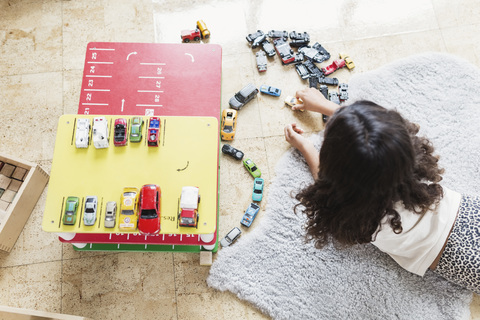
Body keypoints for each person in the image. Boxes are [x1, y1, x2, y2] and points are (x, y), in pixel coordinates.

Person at [284, 87, 480, 294]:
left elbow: (325, 184)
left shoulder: (358, 216)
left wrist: (306, 148)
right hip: (465, 213)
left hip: (460, 255)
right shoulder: (409, 160)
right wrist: (327, 107)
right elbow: (382, 139)